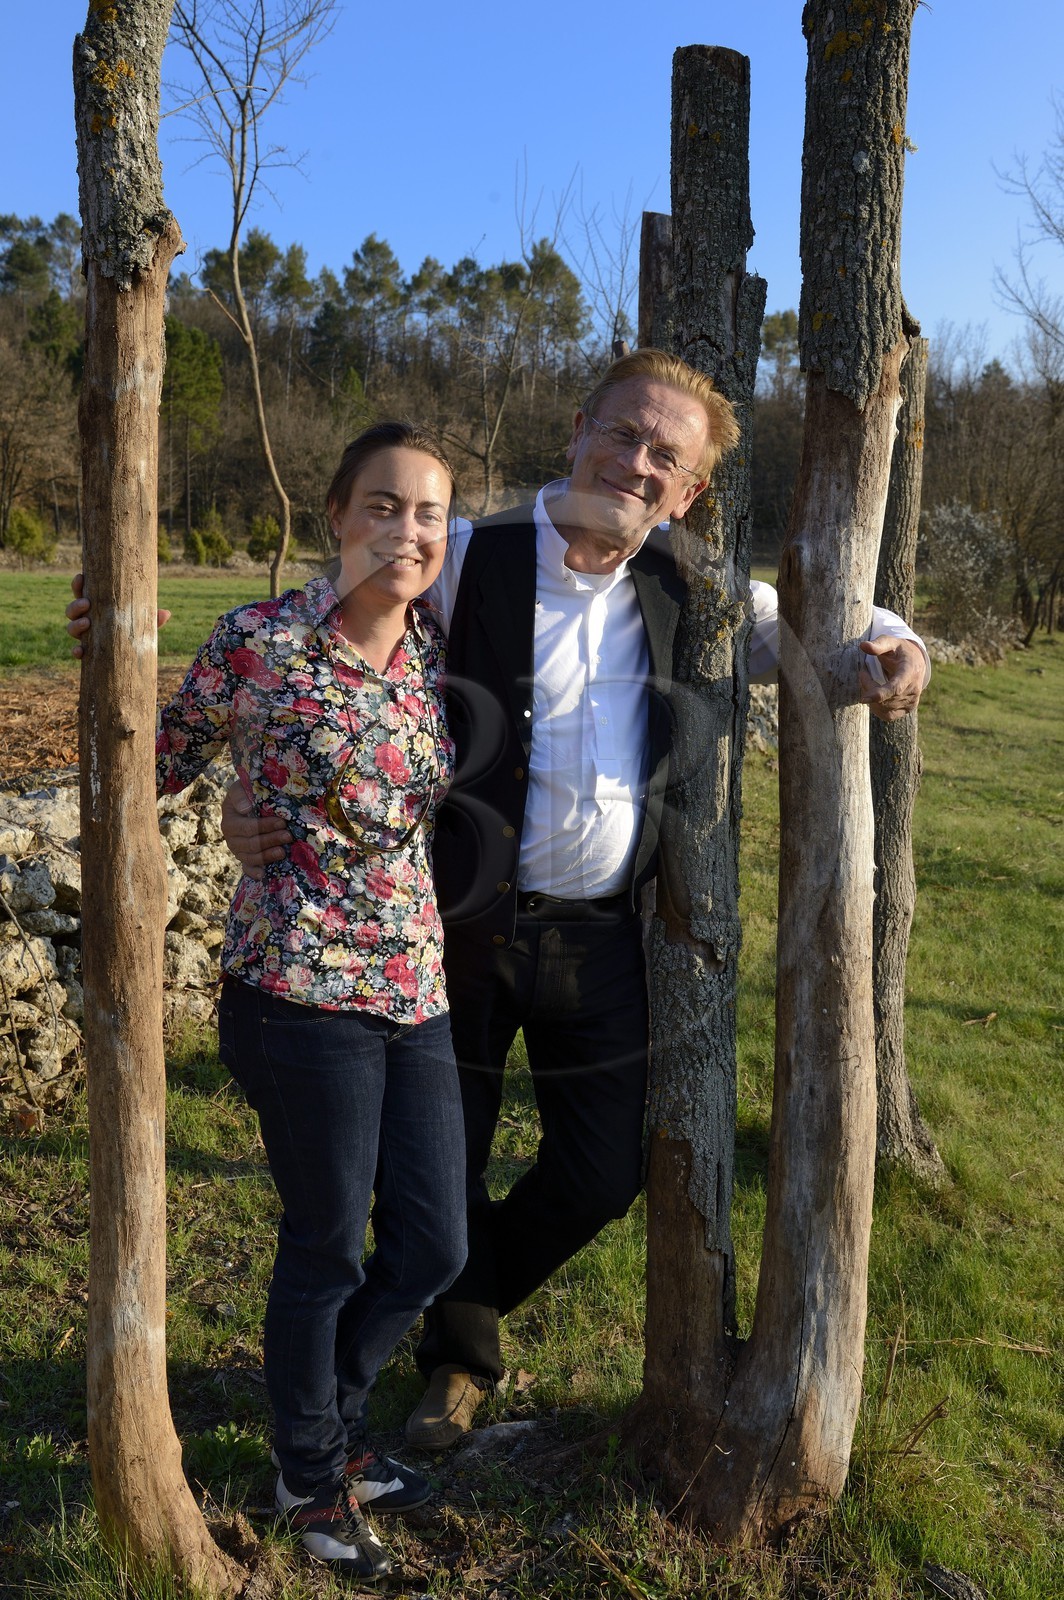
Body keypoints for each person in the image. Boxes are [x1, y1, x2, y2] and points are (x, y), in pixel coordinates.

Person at [69, 352, 930, 1459]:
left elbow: (846, 614)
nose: (634, 461)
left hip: (606, 936)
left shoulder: (697, 590)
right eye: (619, 433)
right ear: (576, 431)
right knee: (434, 1166)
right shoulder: (467, 555)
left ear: (689, 491)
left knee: (598, 1173)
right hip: (451, 929)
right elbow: (322, 648)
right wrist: (143, 651)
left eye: (665, 455)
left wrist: (897, 647)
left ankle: (440, 1320)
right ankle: (450, 1366)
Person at [76, 423, 469, 1577]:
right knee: (326, 1244)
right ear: (338, 515)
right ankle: (308, 1473)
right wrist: (115, 665)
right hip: (295, 984)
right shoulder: (262, 640)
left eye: (430, 513)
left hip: (414, 980)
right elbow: (148, 758)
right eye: (384, 506)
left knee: (435, 1243)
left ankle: (328, 1427)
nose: (408, 531)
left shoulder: (434, 648)